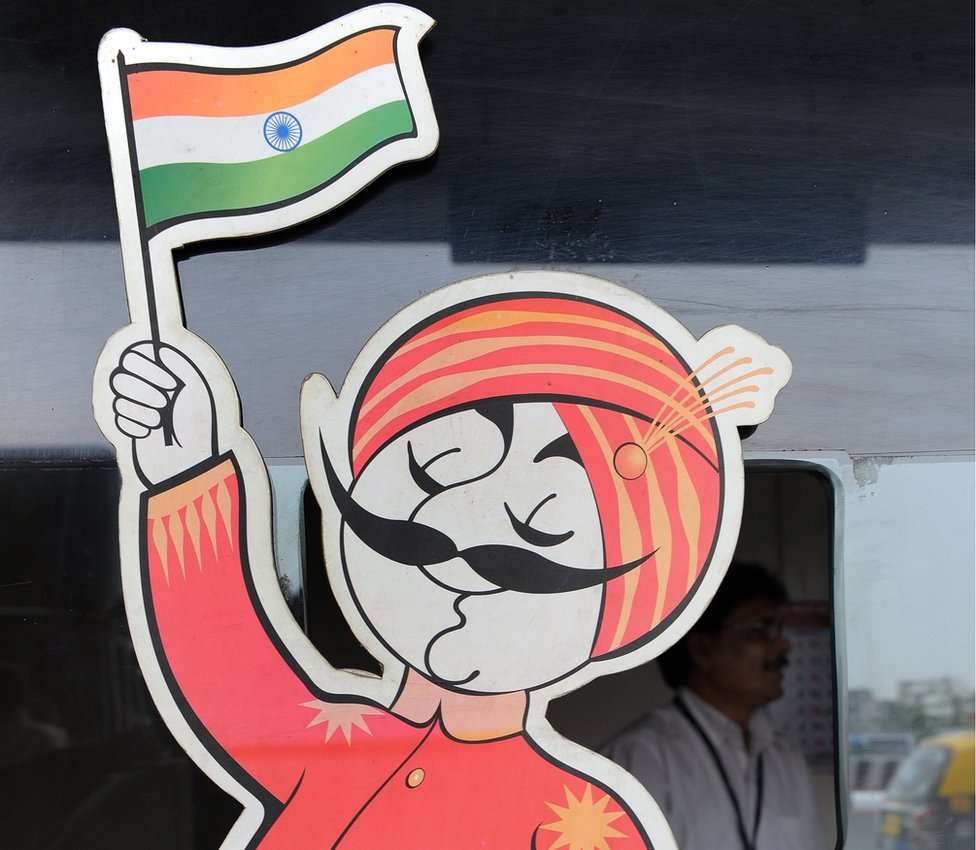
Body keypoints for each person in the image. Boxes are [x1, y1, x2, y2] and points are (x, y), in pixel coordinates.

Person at [604, 564, 826, 850]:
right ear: (702, 650)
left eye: (779, 629)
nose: (784, 645)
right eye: (762, 628)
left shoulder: (785, 757)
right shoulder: (639, 758)